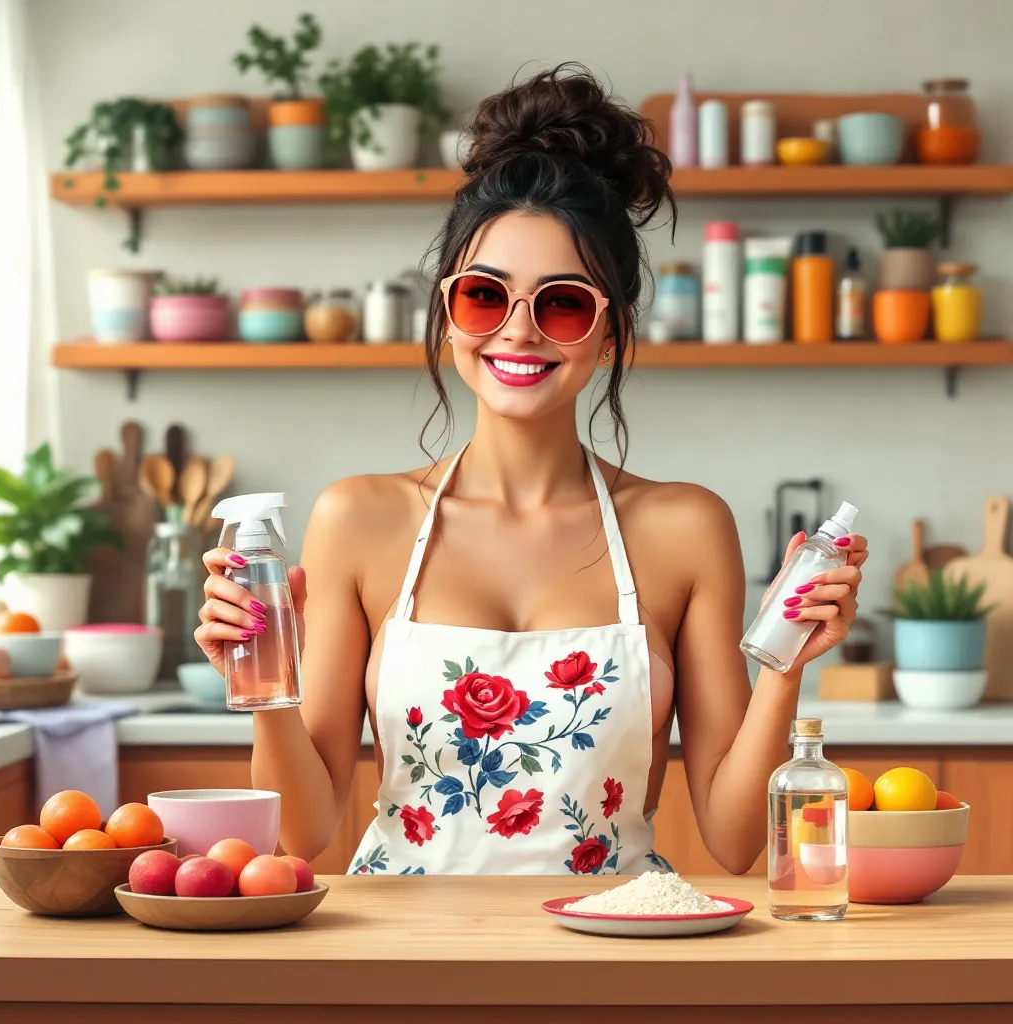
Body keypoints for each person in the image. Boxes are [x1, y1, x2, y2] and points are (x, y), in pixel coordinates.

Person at [196, 65, 868, 876]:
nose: (518, 332)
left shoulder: (686, 528)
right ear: (449, 319)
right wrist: (263, 681)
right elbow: (301, 835)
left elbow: (731, 842)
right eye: (485, 296)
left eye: (562, 303)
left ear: (611, 332)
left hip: (616, 954)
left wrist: (784, 670)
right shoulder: (357, 519)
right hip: (405, 969)